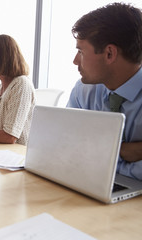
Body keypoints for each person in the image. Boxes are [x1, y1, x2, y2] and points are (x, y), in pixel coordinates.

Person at [66, 3, 142, 180]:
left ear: (109, 53)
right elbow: (68, 147)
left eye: (81, 51)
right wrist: (122, 150)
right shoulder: (83, 90)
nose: (75, 61)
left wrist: (103, 153)